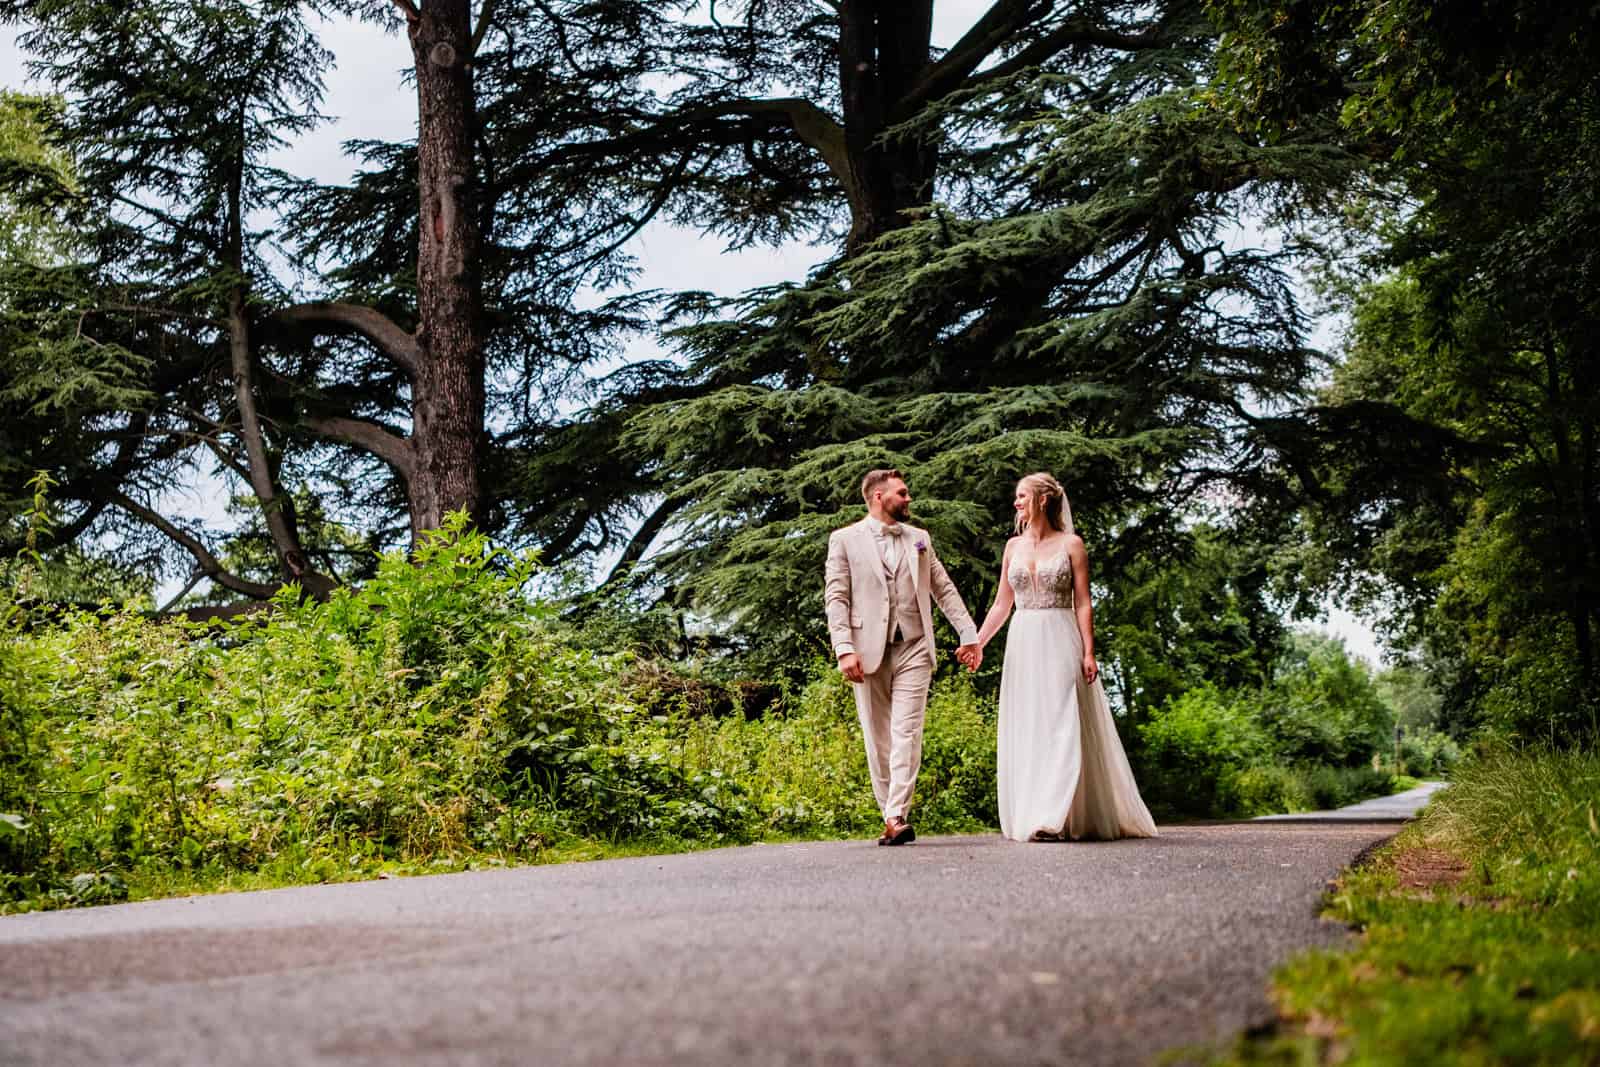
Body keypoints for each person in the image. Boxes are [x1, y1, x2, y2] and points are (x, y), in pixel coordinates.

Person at [972, 472, 1158, 842]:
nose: (1016, 503)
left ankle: (1052, 817)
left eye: (1022, 496)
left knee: (1062, 720)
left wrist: (1089, 651)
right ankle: (1038, 808)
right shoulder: (1013, 548)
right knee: (1033, 725)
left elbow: (1083, 603)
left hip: (1061, 638)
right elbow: (1001, 605)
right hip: (1024, 642)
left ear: (1042, 500)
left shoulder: (1072, 544)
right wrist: (977, 642)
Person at [825, 469, 982, 845]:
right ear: (879, 496)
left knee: (906, 732)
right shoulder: (844, 540)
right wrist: (844, 648)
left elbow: (942, 588)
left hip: (914, 644)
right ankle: (889, 815)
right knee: (878, 738)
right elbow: (837, 597)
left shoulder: (920, 540)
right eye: (903, 493)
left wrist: (969, 634)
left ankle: (897, 814)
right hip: (866, 650)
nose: (909, 499)